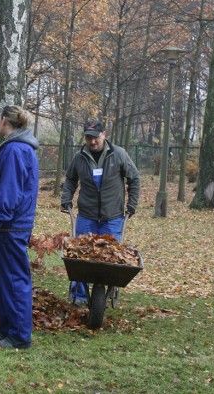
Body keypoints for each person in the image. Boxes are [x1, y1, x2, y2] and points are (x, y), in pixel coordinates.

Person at [61, 120, 140, 305]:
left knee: (112, 257)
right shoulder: (80, 157)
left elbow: (134, 178)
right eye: (89, 137)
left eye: (96, 137)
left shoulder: (118, 154)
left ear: (104, 134)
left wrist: (132, 204)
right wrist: (66, 199)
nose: (92, 142)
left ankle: (110, 291)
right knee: (79, 257)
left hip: (112, 217)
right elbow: (71, 179)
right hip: (86, 216)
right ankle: (78, 296)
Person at [0, 105, 39, 349]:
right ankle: (7, 330)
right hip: (9, 225)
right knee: (3, 280)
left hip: (12, 226)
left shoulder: (15, 150)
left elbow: (10, 191)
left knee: (14, 280)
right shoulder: (15, 147)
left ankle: (19, 337)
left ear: (4, 120)